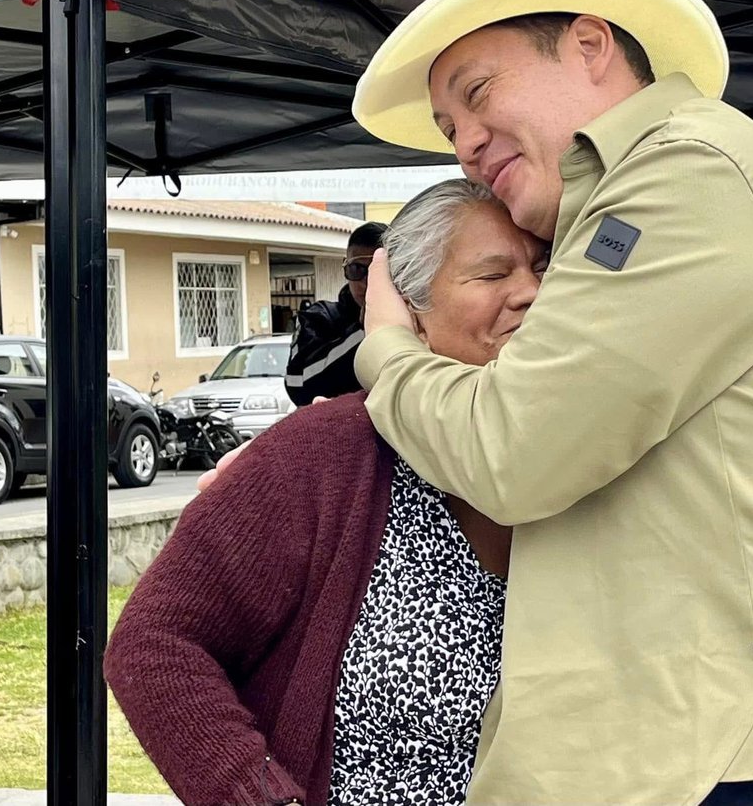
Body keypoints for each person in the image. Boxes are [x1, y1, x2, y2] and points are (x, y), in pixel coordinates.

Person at [347, 0, 753, 805]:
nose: (464, 143)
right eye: (449, 128)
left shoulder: (683, 172)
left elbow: (516, 448)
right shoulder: (629, 205)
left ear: (590, 44)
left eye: (477, 94)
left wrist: (387, 353)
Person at [106, 183, 541, 805]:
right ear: (409, 311)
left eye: (544, 266)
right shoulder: (328, 451)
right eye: (493, 273)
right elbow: (156, 644)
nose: (531, 291)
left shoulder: (588, 455)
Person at [284, 221, 387, 406]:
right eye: (356, 269)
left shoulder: (416, 321)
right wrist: (365, 331)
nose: (366, 281)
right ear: (345, 268)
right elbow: (297, 385)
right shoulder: (319, 317)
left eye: (377, 270)